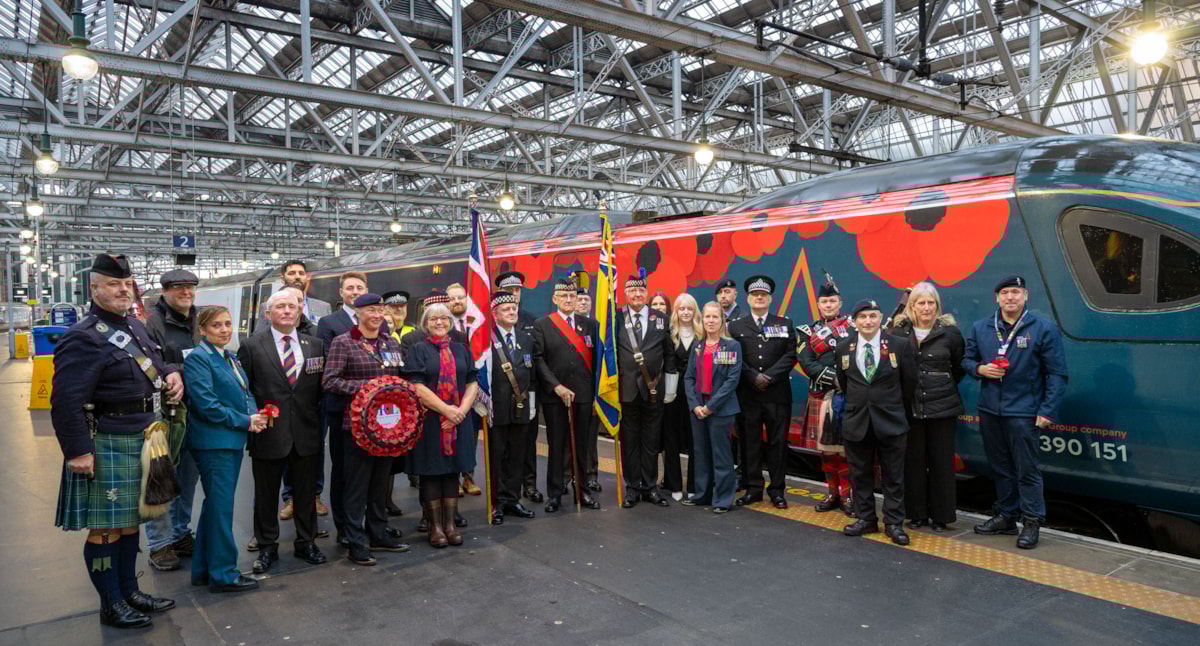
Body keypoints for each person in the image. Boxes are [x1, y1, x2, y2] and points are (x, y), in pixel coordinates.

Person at [52, 254, 183, 628]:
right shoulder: (83, 336)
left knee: (130, 523)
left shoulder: (135, 326)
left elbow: (158, 362)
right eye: (113, 284)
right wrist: (78, 451)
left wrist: (172, 373)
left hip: (143, 437)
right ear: (94, 288)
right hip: (108, 440)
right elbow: (64, 401)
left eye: (127, 284)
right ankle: (111, 603)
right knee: (107, 528)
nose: (123, 289)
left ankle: (129, 591)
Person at [963, 276, 1068, 549]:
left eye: (1016, 292)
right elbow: (967, 359)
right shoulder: (981, 327)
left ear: (1026, 296)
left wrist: (1048, 410)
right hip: (990, 410)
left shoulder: (1043, 328)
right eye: (1005, 293)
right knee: (1000, 467)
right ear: (997, 298)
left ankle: (1031, 522)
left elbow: (1057, 374)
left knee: (1027, 469)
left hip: (1024, 411)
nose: (1010, 297)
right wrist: (979, 370)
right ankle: (1007, 516)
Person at [238, 292, 329, 573]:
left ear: (300, 311)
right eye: (281, 306)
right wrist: (253, 419)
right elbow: (245, 389)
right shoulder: (252, 346)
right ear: (268, 314)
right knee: (266, 495)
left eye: (293, 306)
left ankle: (306, 542)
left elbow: (320, 390)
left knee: (305, 494)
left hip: (306, 433)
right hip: (269, 433)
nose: (288, 311)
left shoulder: (316, 345)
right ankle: (267, 547)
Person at [321, 293, 411, 565]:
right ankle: (355, 541)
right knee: (356, 486)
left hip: (387, 427)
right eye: (370, 310)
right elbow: (330, 381)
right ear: (358, 313)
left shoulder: (390, 344)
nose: (376, 315)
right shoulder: (343, 343)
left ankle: (378, 533)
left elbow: (398, 377)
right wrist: (367, 390)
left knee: (379, 483)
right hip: (357, 426)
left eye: (379, 310)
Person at [185, 305, 266, 592]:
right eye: (217, 325)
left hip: (228, 441)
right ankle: (225, 574)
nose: (224, 329)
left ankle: (205, 569)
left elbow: (245, 392)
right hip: (214, 443)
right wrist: (246, 421)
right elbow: (206, 405)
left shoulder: (228, 357)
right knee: (221, 509)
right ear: (203, 330)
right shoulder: (199, 359)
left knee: (214, 507)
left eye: (228, 324)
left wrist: (255, 416)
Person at [835, 299, 918, 546]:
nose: (868, 321)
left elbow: (909, 383)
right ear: (854, 321)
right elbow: (845, 382)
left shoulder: (900, 345)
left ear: (880, 318)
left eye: (872, 316)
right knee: (859, 474)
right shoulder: (843, 348)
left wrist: (890, 406)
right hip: (857, 420)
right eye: (863, 317)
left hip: (890, 420)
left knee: (893, 475)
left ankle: (893, 523)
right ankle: (866, 519)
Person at [888, 282, 966, 532]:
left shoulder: (951, 334)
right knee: (913, 462)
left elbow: (958, 367)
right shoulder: (899, 333)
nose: (926, 307)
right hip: (909, 407)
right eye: (920, 302)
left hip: (942, 408)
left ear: (937, 305)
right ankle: (917, 515)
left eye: (931, 302)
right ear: (911, 306)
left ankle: (942, 517)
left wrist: (939, 385)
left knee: (942, 462)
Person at [403, 303, 480, 548]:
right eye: (433, 319)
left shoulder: (462, 349)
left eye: (444, 318)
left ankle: (450, 525)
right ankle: (435, 527)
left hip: (459, 419)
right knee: (431, 472)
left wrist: (461, 411)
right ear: (425, 323)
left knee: (452, 471)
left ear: (450, 322)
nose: (439, 322)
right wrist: (446, 409)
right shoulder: (417, 349)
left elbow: (472, 382)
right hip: (431, 420)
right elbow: (416, 385)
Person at [143, 268, 201, 572]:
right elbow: (147, 361)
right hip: (164, 414)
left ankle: (179, 534)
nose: (186, 294)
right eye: (179, 289)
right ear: (165, 291)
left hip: (195, 411)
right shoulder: (151, 323)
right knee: (160, 476)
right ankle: (159, 544)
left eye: (190, 289)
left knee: (187, 478)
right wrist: (173, 369)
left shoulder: (198, 320)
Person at [532, 277, 602, 512]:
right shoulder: (543, 325)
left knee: (582, 446)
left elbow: (597, 360)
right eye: (564, 296)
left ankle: (583, 492)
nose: (569, 300)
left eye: (572, 296)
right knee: (557, 445)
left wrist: (596, 396)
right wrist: (556, 386)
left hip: (583, 395)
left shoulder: (589, 325)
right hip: (555, 397)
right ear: (555, 299)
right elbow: (538, 359)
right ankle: (555, 493)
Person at [728, 276, 797, 509]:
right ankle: (753, 488)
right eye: (755, 295)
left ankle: (777, 491)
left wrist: (769, 376)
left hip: (777, 395)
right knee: (750, 444)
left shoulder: (784, 324)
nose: (759, 298)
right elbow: (733, 357)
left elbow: (790, 355)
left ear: (770, 299)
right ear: (748, 299)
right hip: (748, 396)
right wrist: (752, 376)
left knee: (778, 445)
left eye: (763, 295)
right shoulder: (735, 326)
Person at [313, 271, 368, 547]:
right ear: (341, 292)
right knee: (344, 470)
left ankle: (365, 522)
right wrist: (366, 387)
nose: (355, 291)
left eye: (360, 287)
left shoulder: (374, 320)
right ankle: (344, 526)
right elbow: (326, 363)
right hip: (343, 410)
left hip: (374, 414)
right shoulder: (329, 323)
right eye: (350, 288)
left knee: (367, 471)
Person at [616, 271, 678, 508]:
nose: (637, 294)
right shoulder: (617, 318)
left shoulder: (660, 318)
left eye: (641, 290)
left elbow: (669, 354)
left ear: (646, 293)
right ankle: (632, 487)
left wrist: (670, 387)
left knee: (651, 440)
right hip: (627, 389)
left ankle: (650, 487)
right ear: (626, 294)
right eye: (632, 291)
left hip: (654, 389)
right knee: (629, 440)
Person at [796, 274, 856, 517]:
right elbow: (806, 362)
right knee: (827, 450)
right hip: (822, 393)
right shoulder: (806, 331)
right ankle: (832, 492)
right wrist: (835, 379)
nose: (829, 305)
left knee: (846, 450)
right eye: (824, 301)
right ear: (818, 305)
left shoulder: (853, 327)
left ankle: (847, 495)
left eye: (833, 301)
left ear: (840, 303)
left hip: (849, 396)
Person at [682, 302, 743, 513]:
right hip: (698, 410)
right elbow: (689, 377)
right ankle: (702, 495)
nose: (710, 321)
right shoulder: (697, 347)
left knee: (721, 455)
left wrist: (710, 406)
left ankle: (723, 499)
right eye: (707, 317)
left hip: (720, 410)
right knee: (701, 454)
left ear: (722, 320)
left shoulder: (732, 346)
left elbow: (731, 381)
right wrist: (695, 405)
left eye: (715, 317)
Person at [486, 291, 538, 525]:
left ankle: (512, 499)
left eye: (514, 308)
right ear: (495, 314)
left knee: (517, 455)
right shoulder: (485, 338)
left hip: (521, 406)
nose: (512, 312)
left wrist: (533, 402)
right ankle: (496, 503)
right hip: (496, 407)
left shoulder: (526, 339)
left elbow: (532, 373)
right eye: (506, 309)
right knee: (497, 456)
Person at [663, 293, 701, 501]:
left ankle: (694, 485)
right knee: (671, 439)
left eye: (689, 309)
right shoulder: (668, 334)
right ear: (676, 312)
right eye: (682, 309)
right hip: (673, 394)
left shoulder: (703, 333)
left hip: (696, 394)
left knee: (696, 440)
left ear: (695, 311)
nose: (686, 312)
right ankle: (675, 485)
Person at [575, 286, 601, 492]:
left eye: (586, 299)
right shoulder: (563, 327)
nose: (583, 302)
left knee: (590, 437)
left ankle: (591, 475)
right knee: (569, 437)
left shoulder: (597, 327)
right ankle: (569, 475)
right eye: (579, 299)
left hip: (591, 390)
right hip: (569, 392)